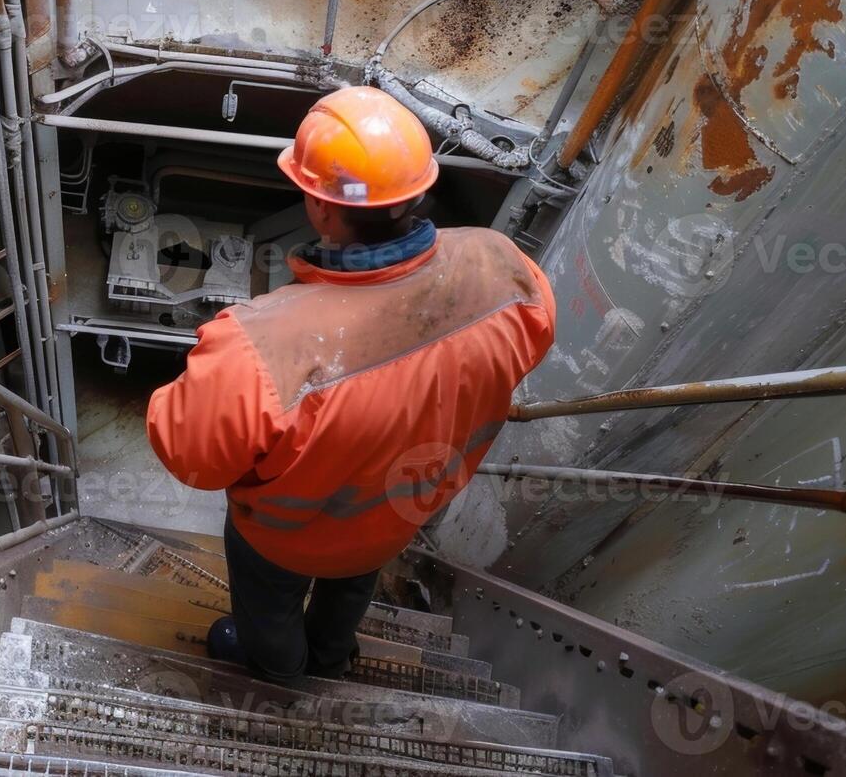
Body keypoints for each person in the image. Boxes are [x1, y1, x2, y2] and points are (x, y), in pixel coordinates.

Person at [144, 86, 556, 684]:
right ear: (418, 189)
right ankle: (333, 657)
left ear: (319, 208)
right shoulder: (503, 267)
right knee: (353, 582)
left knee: (269, 604)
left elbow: (189, 454)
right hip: (393, 518)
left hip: (284, 541)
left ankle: (279, 672)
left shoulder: (257, 347)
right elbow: (529, 342)